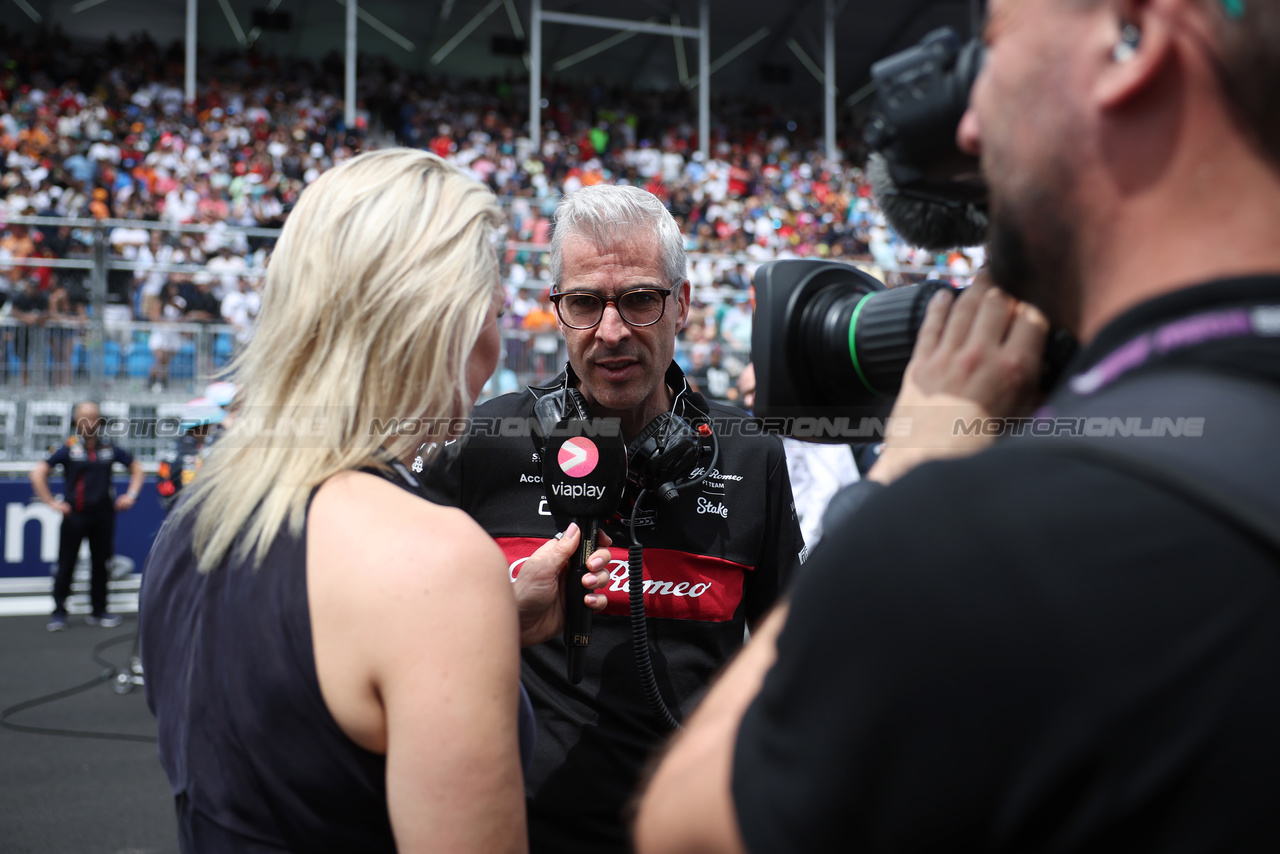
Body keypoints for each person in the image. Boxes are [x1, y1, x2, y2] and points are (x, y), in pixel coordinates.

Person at [635, 0, 1280, 851]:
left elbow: (685, 826)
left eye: (993, 45)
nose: (969, 128)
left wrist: (907, 474)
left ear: (1132, 40)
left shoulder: (987, 546)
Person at [139, 149, 613, 853]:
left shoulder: (193, 522)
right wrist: (461, 610)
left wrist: (486, 627)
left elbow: (301, 713)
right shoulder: (433, 560)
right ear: (442, 326)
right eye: (488, 312)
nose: (494, 340)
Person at [422, 182, 805, 853]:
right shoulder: (484, 441)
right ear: (556, 309)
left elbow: (788, 653)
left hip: (694, 830)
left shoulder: (751, 452)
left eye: (638, 300)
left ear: (680, 304)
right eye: (584, 303)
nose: (611, 331)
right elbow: (405, 645)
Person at [30, 401, 145, 631]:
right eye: (84, 417)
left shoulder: (109, 448)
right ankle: (59, 612)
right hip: (75, 516)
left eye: (93, 417)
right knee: (66, 563)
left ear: (100, 420)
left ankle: (99, 610)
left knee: (101, 564)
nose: (89, 422)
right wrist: (52, 502)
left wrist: (130, 495)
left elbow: (137, 468)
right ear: (75, 420)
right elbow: (38, 472)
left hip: (103, 515)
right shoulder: (68, 447)